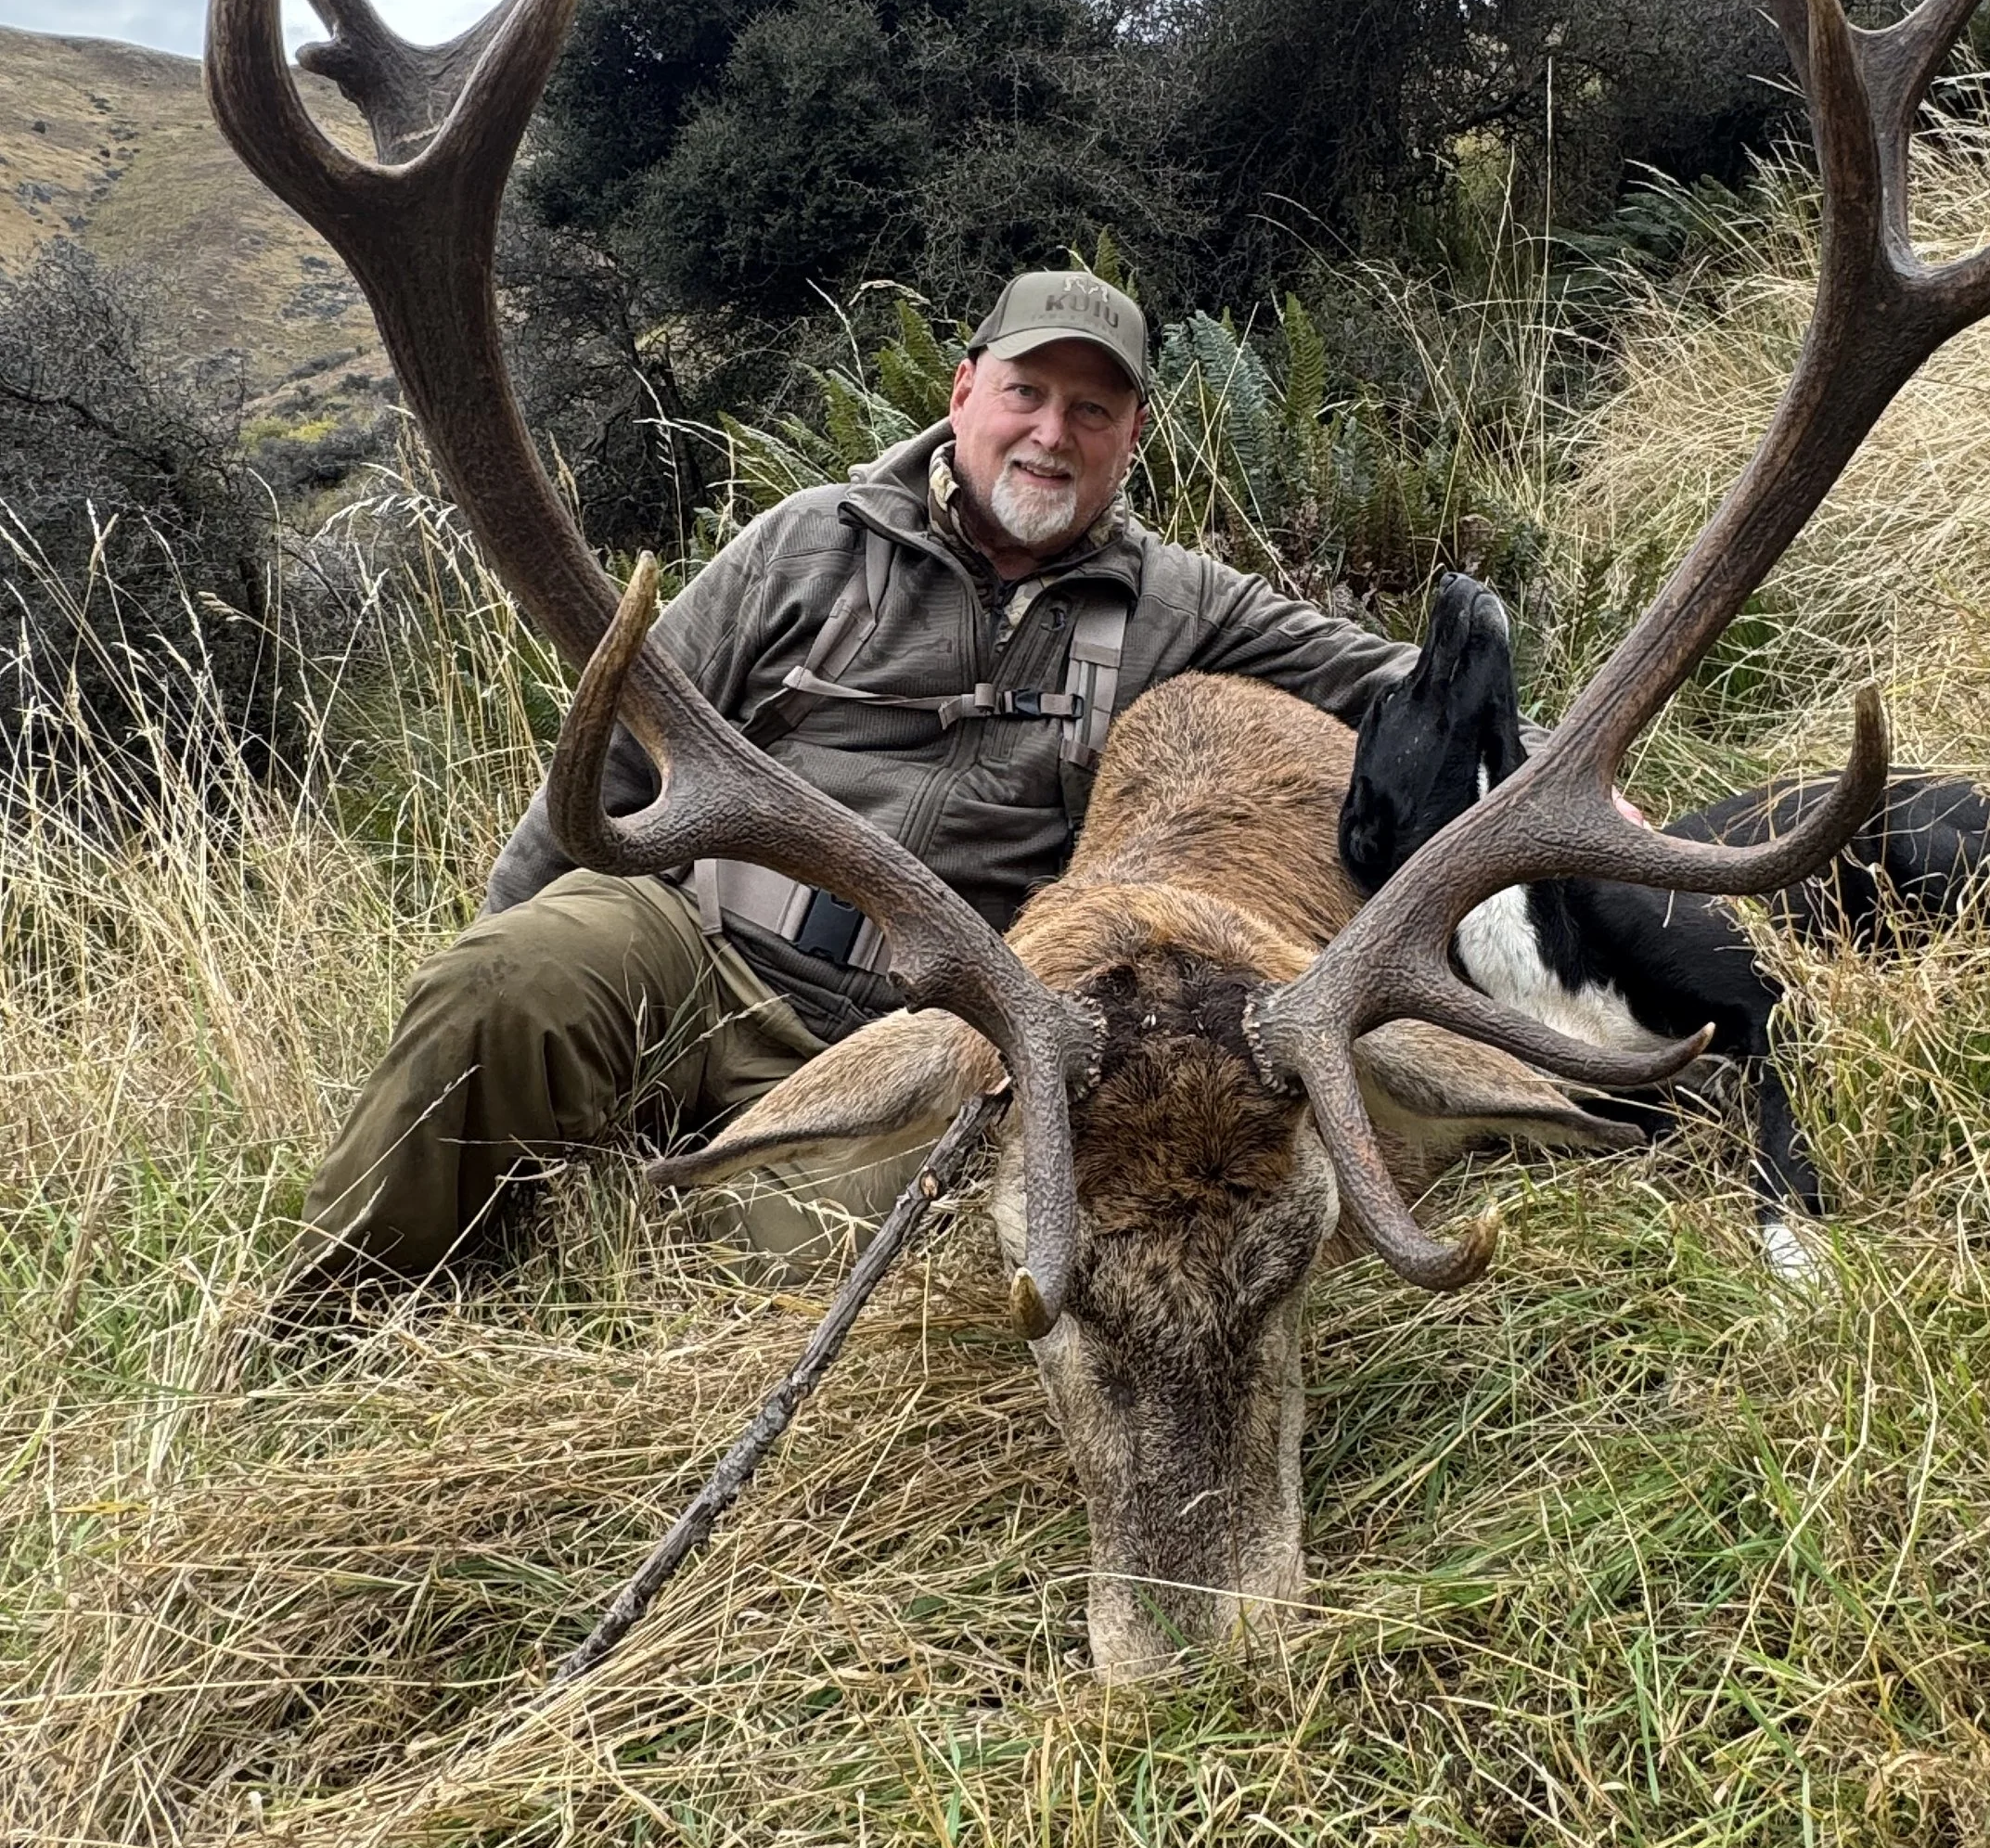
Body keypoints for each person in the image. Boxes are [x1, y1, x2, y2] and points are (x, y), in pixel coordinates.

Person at [289, 268, 1416, 1301]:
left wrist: (1559, 773)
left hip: (909, 1034)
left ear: (1131, 439)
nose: (1051, 434)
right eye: (1026, 392)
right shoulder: (807, 542)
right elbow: (623, 746)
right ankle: (334, 1315)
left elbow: (1404, 693)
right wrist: (517, 935)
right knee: (506, 987)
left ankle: (633, 1210)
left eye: (1092, 412)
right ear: (965, 387)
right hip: (697, 941)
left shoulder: (1181, 604)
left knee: (763, 1271)